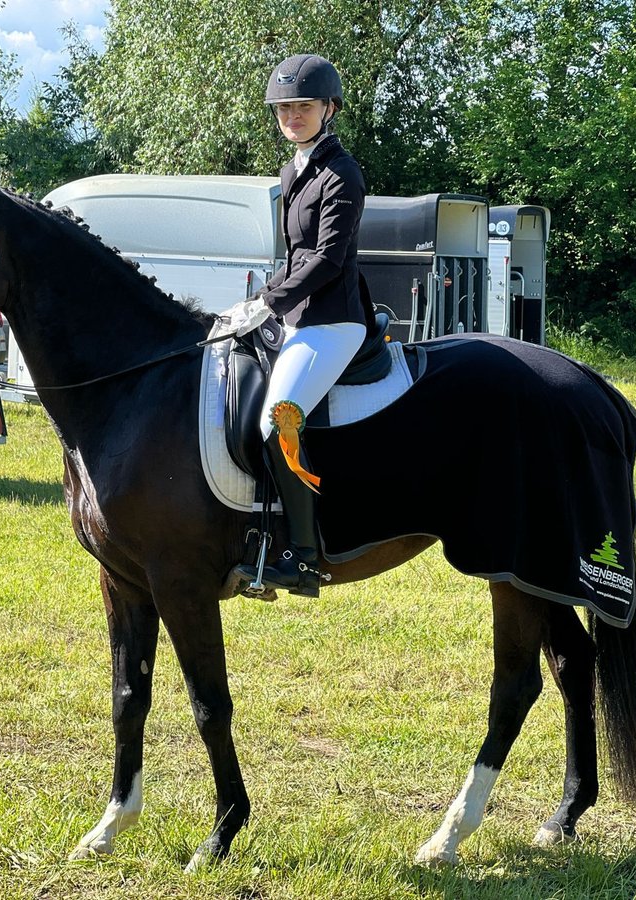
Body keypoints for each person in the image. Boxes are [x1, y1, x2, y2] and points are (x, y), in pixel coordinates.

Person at [243, 53, 369, 597]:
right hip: (297, 317)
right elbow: (293, 255)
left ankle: (304, 557)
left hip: (333, 323)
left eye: (303, 106)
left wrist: (268, 300)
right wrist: (259, 300)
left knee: (279, 421)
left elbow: (326, 259)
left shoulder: (342, 173)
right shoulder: (293, 170)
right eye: (284, 108)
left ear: (329, 109)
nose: (292, 116)